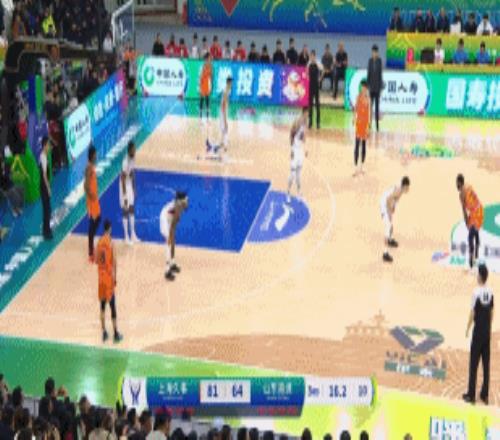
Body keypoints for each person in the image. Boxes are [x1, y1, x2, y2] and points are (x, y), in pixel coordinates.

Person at [463, 264, 493, 405]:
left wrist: (468, 328)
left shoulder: (476, 293)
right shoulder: (491, 291)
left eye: (477, 274)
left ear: (480, 276)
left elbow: (473, 312)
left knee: (474, 363)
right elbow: (492, 311)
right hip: (487, 332)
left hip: (478, 332)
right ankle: (484, 395)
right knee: (486, 364)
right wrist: (489, 327)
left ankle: (471, 395)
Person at [96, 219, 123, 343]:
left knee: (102, 306)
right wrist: (115, 278)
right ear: (110, 228)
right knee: (112, 307)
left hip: (100, 279)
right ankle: (116, 333)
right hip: (108, 279)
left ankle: (104, 332)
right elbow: (114, 263)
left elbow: (97, 260)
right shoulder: (111, 243)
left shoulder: (99, 242)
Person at [159, 192, 188, 281]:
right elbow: (172, 225)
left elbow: (174, 225)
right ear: (181, 201)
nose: (187, 202)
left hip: (169, 219)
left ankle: (172, 263)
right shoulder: (177, 207)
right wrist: (170, 236)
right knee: (168, 243)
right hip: (164, 219)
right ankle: (167, 271)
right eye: (186, 200)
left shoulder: (180, 207)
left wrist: (172, 236)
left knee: (173, 241)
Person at [380, 177, 410, 263]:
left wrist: (394, 206)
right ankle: (385, 254)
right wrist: (388, 211)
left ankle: (390, 240)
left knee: (390, 223)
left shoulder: (401, 190)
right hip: (384, 204)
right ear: (404, 186)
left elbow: (396, 199)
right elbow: (388, 199)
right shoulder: (397, 190)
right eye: (407, 187)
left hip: (388, 203)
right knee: (388, 227)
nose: (408, 189)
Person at [457, 174, 483, 270]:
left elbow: (464, 210)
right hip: (480, 209)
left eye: (457, 183)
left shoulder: (461, 194)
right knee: (475, 232)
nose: (456, 186)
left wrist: (466, 222)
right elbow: (475, 199)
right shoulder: (469, 185)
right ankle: (476, 254)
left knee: (470, 236)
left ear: (459, 183)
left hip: (475, 214)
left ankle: (471, 260)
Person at [206, 77, 232, 156]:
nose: (231, 84)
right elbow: (223, 104)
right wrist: (225, 118)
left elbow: (223, 103)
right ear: (228, 83)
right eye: (231, 83)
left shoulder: (227, 90)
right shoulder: (226, 91)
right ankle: (220, 145)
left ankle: (221, 145)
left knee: (224, 130)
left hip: (223, 112)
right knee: (225, 129)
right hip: (223, 112)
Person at [287, 107, 308, 203]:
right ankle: (288, 192)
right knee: (292, 174)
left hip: (300, 151)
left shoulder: (305, 123)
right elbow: (291, 134)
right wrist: (291, 149)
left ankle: (299, 193)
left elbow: (304, 137)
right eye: (306, 114)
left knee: (299, 174)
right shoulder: (297, 122)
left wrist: (305, 149)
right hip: (295, 150)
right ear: (303, 113)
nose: (307, 116)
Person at [84, 146, 101, 263]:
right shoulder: (89, 168)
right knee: (93, 223)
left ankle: (92, 248)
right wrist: (91, 196)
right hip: (92, 201)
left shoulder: (91, 167)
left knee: (97, 220)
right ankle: (91, 253)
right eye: (95, 153)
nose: (97, 155)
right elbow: (85, 186)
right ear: (92, 155)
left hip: (94, 199)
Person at [120, 142, 138, 245]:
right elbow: (122, 179)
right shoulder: (125, 162)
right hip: (123, 186)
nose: (135, 150)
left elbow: (132, 173)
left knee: (131, 208)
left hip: (129, 184)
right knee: (125, 209)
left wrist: (134, 188)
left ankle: (133, 234)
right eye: (134, 149)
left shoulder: (133, 158)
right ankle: (126, 236)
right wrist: (125, 196)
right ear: (130, 150)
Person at [353, 79, 370, 176]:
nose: (363, 88)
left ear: (366, 88)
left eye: (364, 87)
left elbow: (369, 113)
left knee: (363, 145)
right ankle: (355, 168)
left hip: (365, 124)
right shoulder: (358, 97)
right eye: (362, 87)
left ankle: (362, 167)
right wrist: (353, 117)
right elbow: (355, 108)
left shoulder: (368, 99)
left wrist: (368, 126)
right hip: (359, 123)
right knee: (357, 144)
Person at [39, 136, 52, 240]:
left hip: (44, 186)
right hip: (43, 187)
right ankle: (46, 232)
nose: (49, 146)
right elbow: (44, 175)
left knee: (48, 209)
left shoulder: (44, 155)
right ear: (44, 146)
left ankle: (46, 229)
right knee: (46, 210)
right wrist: (48, 188)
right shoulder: (43, 157)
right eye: (48, 144)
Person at [367, 45, 382, 132]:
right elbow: (368, 74)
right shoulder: (369, 61)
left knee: (377, 107)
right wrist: (368, 86)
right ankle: (369, 124)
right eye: (373, 52)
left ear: (377, 53)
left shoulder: (379, 61)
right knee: (370, 107)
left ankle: (377, 125)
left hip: (377, 88)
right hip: (371, 87)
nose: (374, 54)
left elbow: (380, 75)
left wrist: (380, 87)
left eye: (375, 52)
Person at [308, 50, 320, 129]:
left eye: (313, 56)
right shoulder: (308, 65)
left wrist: (320, 78)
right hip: (310, 86)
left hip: (316, 86)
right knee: (310, 105)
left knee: (317, 105)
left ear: (315, 56)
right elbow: (306, 72)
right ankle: (310, 122)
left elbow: (323, 70)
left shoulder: (318, 64)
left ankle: (318, 123)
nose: (312, 57)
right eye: (311, 56)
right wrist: (307, 78)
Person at [199, 54, 212, 121]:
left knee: (207, 97)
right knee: (202, 98)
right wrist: (199, 85)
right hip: (203, 83)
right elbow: (201, 76)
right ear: (206, 59)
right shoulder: (203, 66)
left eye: (210, 58)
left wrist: (210, 84)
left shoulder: (210, 66)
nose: (210, 59)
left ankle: (207, 114)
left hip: (207, 83)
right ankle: (200, 114)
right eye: (209, 58)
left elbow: (210, 76)